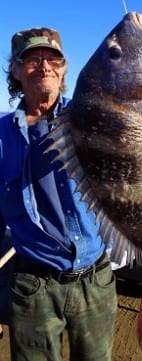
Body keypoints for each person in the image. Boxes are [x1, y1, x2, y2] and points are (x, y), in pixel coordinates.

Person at [0, 27, 117, 361]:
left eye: (53, 59)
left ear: (64, 69)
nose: (45, 65)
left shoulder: (92, 119)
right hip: (33, 286)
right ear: (16, 70)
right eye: (33, 59)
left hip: (96, 279)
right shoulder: (2, 137)